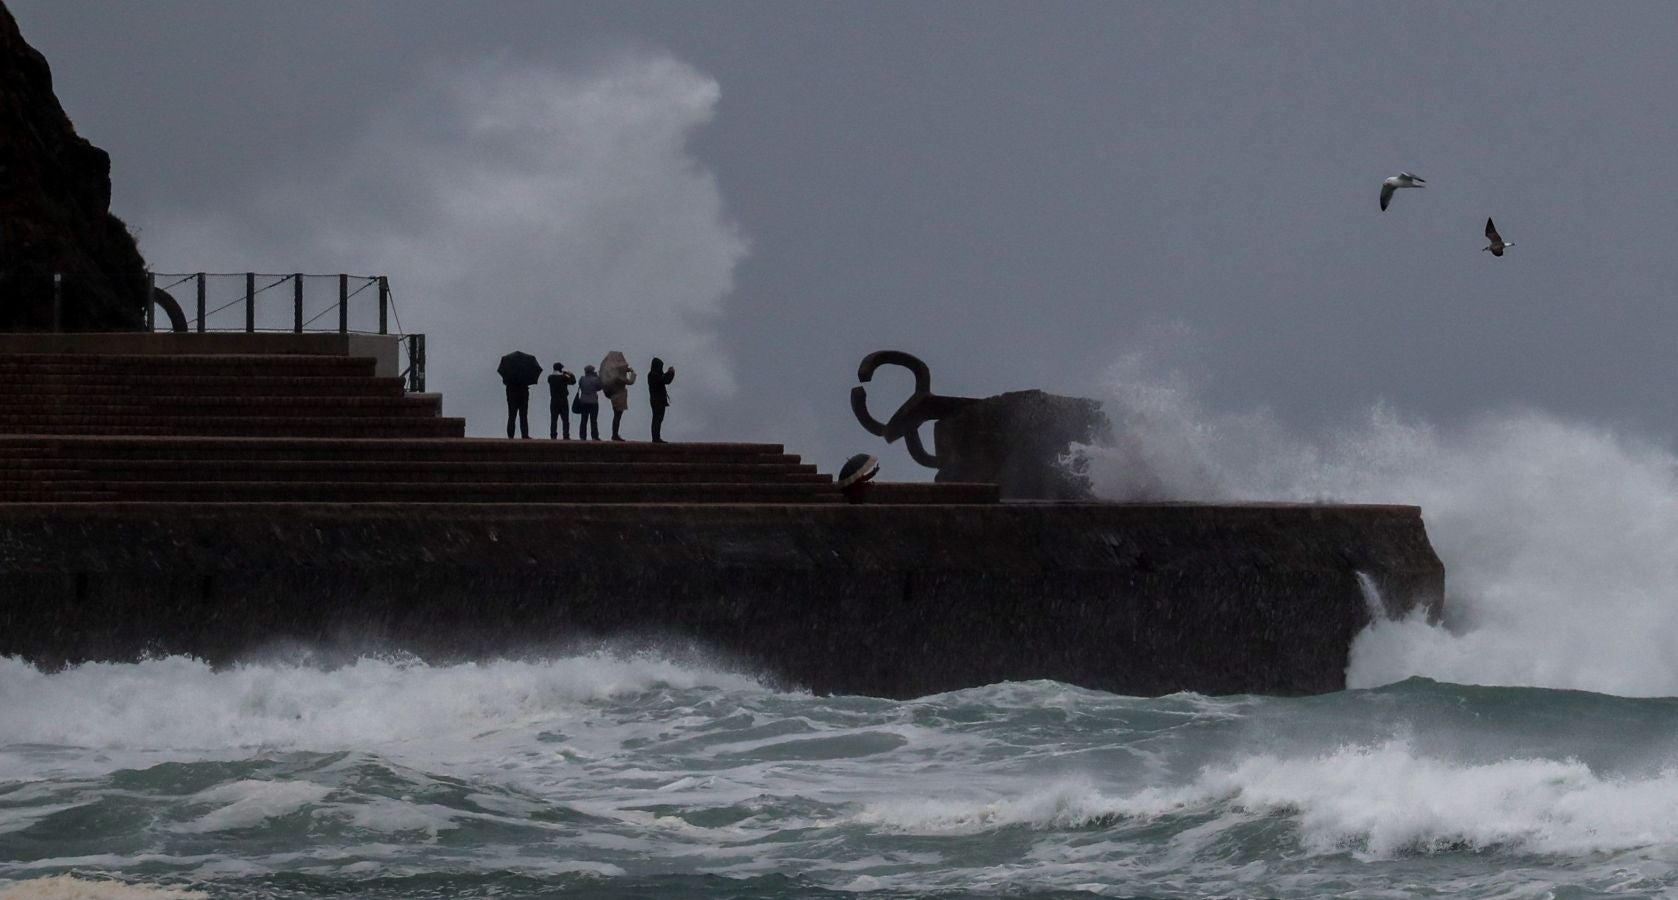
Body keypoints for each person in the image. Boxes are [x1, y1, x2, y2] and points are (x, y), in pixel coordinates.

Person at [496, 350, 541, 439]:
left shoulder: (509, 375)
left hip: (511, 395)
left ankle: (510, 435)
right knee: (523, 416)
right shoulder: (525, 374)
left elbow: (505, 382)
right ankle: (524, 435)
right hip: (523, 395)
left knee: (512, 416)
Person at [599, 350, 638, 441]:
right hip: (619, 397)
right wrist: (632, 373)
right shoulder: (617, 376)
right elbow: (630, 381)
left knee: (616, 416)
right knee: (617, 416)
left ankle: (615, 434)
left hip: (613, 396)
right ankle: (615, 434)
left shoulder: (610, 375)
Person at [645, 357, 676, 443]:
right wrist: (671, 372)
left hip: (657, 400)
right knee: (657, 419)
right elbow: (665, 380)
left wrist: (669, 373)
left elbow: (663, 379)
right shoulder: (653, 375)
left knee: (658, 419)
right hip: (657, 400)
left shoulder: (653, 374)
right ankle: (656, 438)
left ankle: (656, 437)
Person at [546, 362, 577, 439]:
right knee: (565, 419)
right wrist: (568, 373)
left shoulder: (550, 377)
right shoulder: (564, 377)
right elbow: (573, 381)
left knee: (553, 419)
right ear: (560, 369)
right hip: (563, 400)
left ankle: (553, 435)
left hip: (554, 400)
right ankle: (566, 435)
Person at [573, 364, 603, 440]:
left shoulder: (582, 379)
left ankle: (582, 436)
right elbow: (600, 387)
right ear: (592, 371)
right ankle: (595, 436)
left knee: (583, 420)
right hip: (593, 402)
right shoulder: (596, 379)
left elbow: (580, 385)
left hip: (583, 401)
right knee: (593, 420)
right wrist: (597, 377)